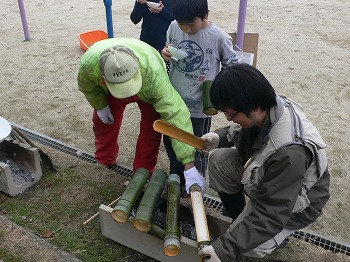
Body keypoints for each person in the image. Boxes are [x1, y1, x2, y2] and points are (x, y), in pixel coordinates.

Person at [195, 64, 330, 261]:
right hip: (272, 179)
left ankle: (276, 236)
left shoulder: (290, 153)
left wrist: (225, 249)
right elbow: (242, 131)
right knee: (219, 160)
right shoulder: (267, 106)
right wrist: (219, 136)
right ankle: (239, 220)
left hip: (294, 204)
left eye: (231, 114)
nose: (228, 118)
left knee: (252, 248)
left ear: (255, 107)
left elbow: (272, 213)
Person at [77, 37, 206, 193]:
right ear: (104, 76)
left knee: (152, 128)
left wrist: (188, 162)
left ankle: (143, 170)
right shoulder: (88, 65)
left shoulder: (154, 74)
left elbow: (176, 115)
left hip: (146, 87)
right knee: (102, 122)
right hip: (110, 89)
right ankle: (105, 158)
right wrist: (101, 106)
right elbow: (88, 88)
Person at [161, 0, 238, 186]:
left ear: (205, 15)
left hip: (200, 107)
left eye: (191, 24)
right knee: (172, 145)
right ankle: (176, 182)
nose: (186, 29)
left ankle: (195, 189)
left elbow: (232, 66)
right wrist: (165, 53)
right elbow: (167, 48)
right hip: (174, 101)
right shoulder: (173, 26)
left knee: (197, 148)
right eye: (182, 24)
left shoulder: (219, 37)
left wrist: (219, 91)